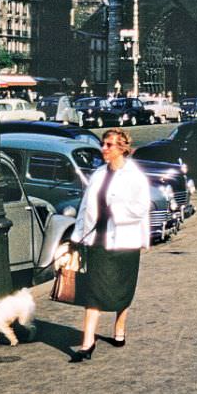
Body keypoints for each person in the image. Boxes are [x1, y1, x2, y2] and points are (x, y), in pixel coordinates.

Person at [68, 128, 150, 364]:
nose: (104, 149)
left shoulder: (135, 176)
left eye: (109, 145)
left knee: (122, 289)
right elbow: (85, 206)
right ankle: (87, 343)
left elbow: (141, 208)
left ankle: (120, 328)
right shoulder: (97, 174)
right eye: (104, 144)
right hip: (98, 241)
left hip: (124, 242)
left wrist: (116, 210)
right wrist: (77, 236)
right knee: (93, 291)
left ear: (122, 148)